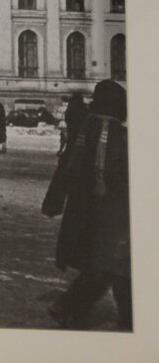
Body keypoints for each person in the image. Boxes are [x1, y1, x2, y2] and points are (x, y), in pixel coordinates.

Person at [43, 80, 130, 330]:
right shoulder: (110, 131)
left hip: (88, 210)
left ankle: (130, 314)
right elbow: (118, 172)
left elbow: (66, 166)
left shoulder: (86, 128)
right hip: (111, 211)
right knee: (111, 264)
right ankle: (69, 308)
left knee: (119, 265)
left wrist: (54, 201)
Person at [59, 93, 89, 158]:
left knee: (70, 143)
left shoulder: (71, 106)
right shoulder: (85, 108)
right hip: (81, 129)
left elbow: (67, 118)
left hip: (72, 128)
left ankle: (67, 155)